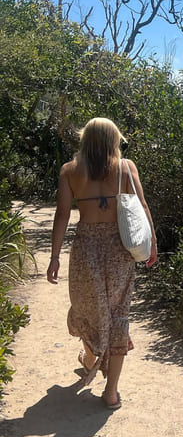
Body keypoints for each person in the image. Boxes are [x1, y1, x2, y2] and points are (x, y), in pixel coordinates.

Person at [47, 118, 157, 409]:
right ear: (113, 140)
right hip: (119, 248)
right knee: (118, 313)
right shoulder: (126, 168)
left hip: (86, 248)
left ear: (85, 139)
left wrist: (54, 257)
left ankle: (91, 357)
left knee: (86, 306)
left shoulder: (70, 171)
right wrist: (152, 245)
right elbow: (142, 208)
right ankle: (111, 391)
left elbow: (61, 215)